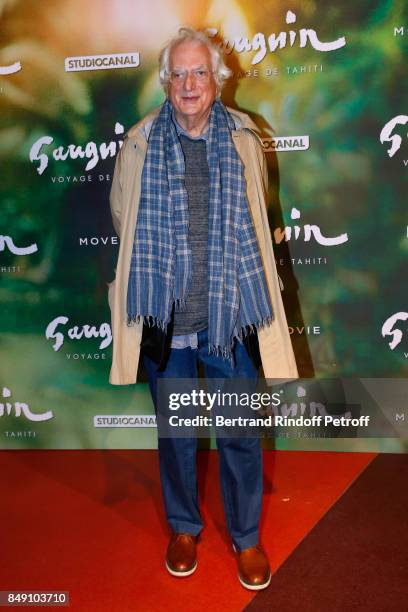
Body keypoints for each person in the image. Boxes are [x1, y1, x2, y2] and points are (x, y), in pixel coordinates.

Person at [108, 26, 298, 590]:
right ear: (166, 82)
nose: (190, 84)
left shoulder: (243, 138)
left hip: (230, 321)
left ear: (217, 80)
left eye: (200, 73)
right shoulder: (140, 142)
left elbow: (258, 223)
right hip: (167, 323)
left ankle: (246, 539)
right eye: (180, 74)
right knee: (178, 434)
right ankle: (185, 527)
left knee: (239, 432)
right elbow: (124, 217)